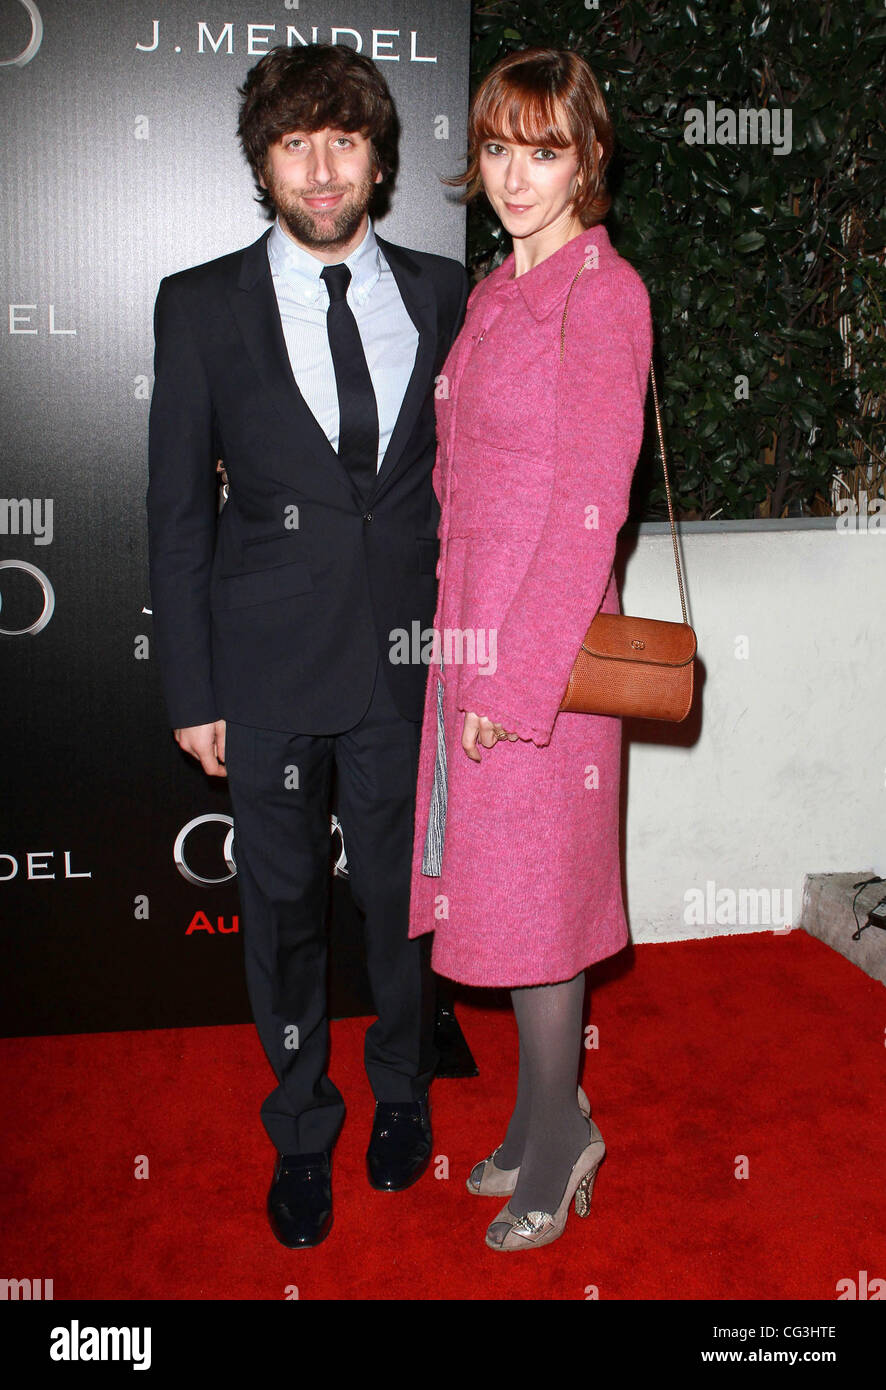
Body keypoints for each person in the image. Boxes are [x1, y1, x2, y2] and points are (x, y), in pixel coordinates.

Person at [147, 43, 468, 1249]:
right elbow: (175, 511)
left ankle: (401, 1094)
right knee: (282, 918)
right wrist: (194, 685)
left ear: (379, 158)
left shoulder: (443, 293)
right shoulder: (199, 303)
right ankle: (300, 1128)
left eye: (343, 141)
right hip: (266, 671)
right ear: (263, 162)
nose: (322, 169)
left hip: (405, 662)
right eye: (295, 143)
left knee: (400, 907)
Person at [409, 47, 652, 1251]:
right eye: (499, 147)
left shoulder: (603, 295)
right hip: (471, 637)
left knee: (536, 911)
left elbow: (588, 509)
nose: (514, 174)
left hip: (536, 658)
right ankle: (537, 1110)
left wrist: (512, 680)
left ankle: (562, 1139)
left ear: (585, 158)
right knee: (501, 903)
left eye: (542, 149)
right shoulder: (495, 291)